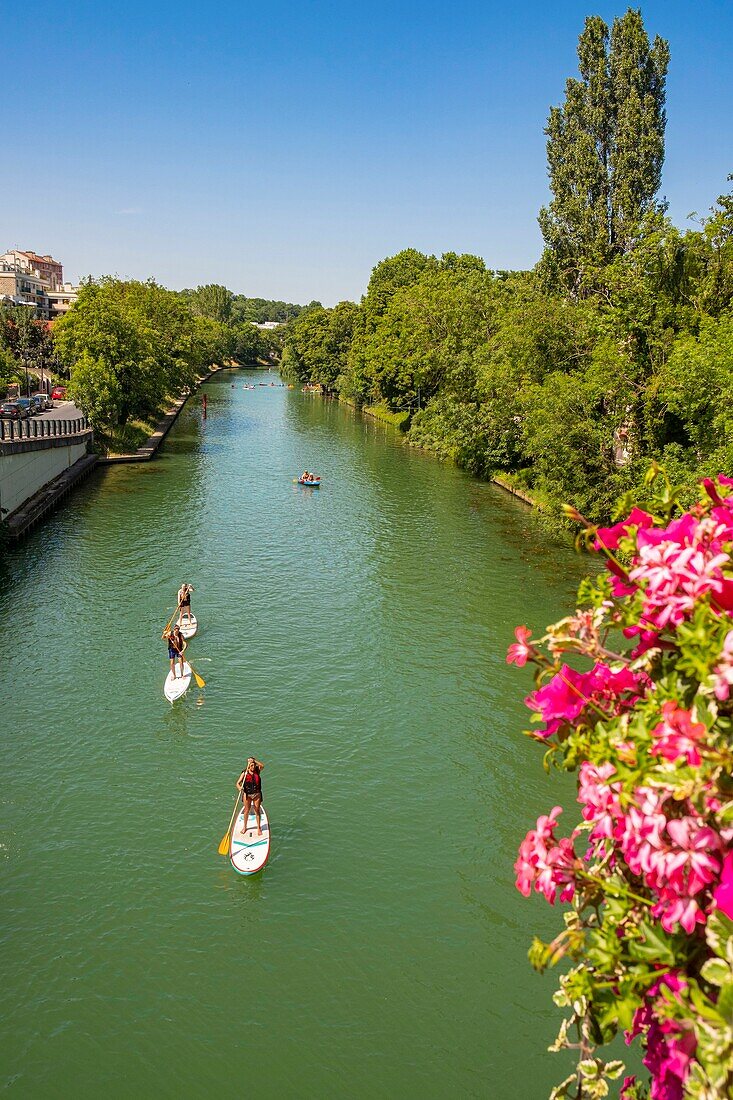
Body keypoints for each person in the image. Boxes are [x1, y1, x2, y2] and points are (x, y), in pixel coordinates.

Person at [236, 757, 265, 836]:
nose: (252, 767)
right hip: (247, 795)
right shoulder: (244, 773)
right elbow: (237, 783)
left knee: (257, 811)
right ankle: (245, 827)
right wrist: (239, 788)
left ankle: (259, 828)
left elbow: (262, 766)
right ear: (248, 766)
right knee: (246, 810)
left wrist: (254, 760)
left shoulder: (257, 771)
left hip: (256, 794)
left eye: (253, 765)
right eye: (251, 765)